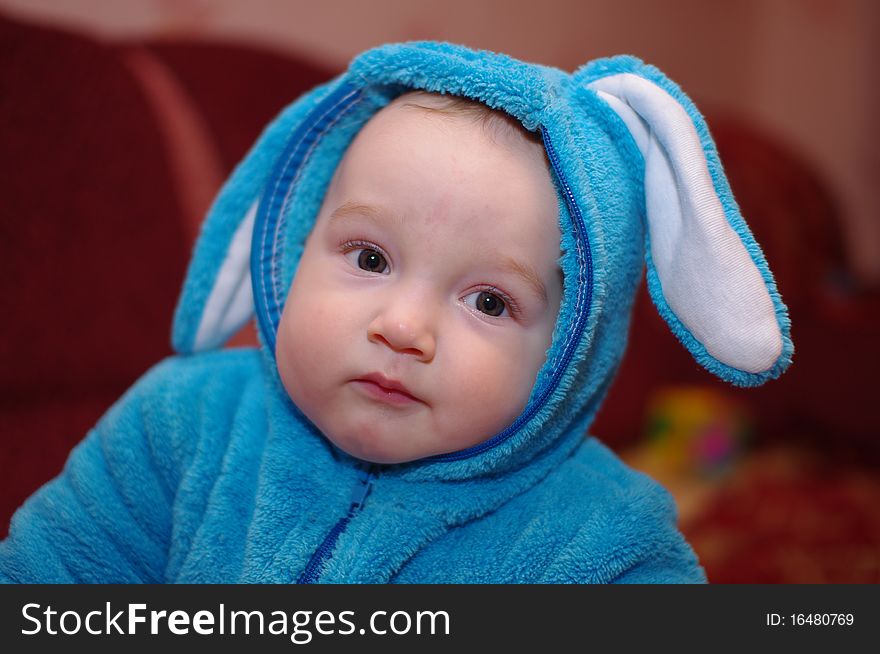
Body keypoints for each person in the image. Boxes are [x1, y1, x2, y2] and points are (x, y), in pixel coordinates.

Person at [0, 42, 792, 583]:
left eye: (489, 301)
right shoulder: (179, 421)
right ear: (291, 249)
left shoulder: (605, 546)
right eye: (370, 259)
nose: (403, 328)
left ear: (568, 352)